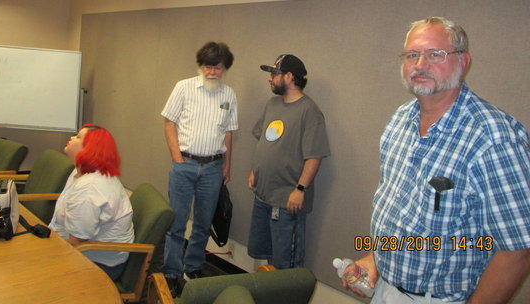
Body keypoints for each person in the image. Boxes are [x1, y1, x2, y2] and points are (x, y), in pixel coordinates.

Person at [345, 17, 530, 303]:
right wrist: (375, 260)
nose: (420, 64)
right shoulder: (399, 121)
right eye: (412, 55)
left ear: (463, 61)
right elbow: (400, 212)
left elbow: (518, 250)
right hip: (386, 290)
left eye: (435, 54)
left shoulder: (493, 138)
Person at [161, 41, 238, 294]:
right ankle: (171, 272)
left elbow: (228, 132)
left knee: (203, 224)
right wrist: (177, 158)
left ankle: (192, 268)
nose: (212, 72)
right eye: (207, 67)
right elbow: (169, 122)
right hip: (184, 164)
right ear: (200, 66)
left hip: (213, 168)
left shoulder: (229, 95)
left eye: (217, 68)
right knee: (177, 222)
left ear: (225, 68)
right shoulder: (183, 87)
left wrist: (227, 165)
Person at [248, 54, 330, 269]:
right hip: (263, 195)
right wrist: (255, 171)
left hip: (287, 202)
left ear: (290, 76)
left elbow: (315, 155)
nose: (270, 78)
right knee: (268, 256)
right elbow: (264, 140)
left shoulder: (309, 111)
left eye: (275, 74)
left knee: (286, 265)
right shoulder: (272, 104)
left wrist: (300, 189)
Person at [49, 124, 134, 281]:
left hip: (96, 263)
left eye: (78, 137)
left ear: (89, 149)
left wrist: (44, 253)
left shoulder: (90, 187)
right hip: (77, 249)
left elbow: (77, 240)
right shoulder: (80, 172)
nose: (71, 138)